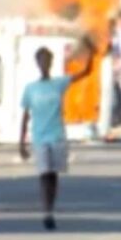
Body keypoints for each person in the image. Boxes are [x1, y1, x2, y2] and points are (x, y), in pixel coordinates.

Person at [19, 42, 94, 230]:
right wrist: (22, 142)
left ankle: (50, 210)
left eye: (47, 60)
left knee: (53, 176)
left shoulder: (59, 83)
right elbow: (26, 115)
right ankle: (46, 212)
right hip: (39, 137)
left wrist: (91, 53)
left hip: (57, 136)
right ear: (37, 63)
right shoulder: (30, 89)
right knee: (44, 174)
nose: (44, 64)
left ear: (51, 63)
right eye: (42, 60)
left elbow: (85, 73)